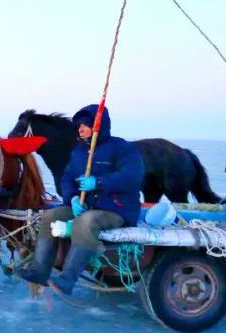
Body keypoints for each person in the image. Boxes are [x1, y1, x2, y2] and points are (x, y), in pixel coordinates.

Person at [15, 104, 145, 298]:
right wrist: (73, 198)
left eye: (85, 125)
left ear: (98, 125)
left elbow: (132, 177)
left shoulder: (122, 148)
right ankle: (40, 271)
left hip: (116, 210)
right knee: (50, 216)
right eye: (79, 126)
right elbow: (67, 178)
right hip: (87, 206)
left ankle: (67, 279)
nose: (80, 129)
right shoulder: (79, 152)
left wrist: (98, 182)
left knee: (87, 222)